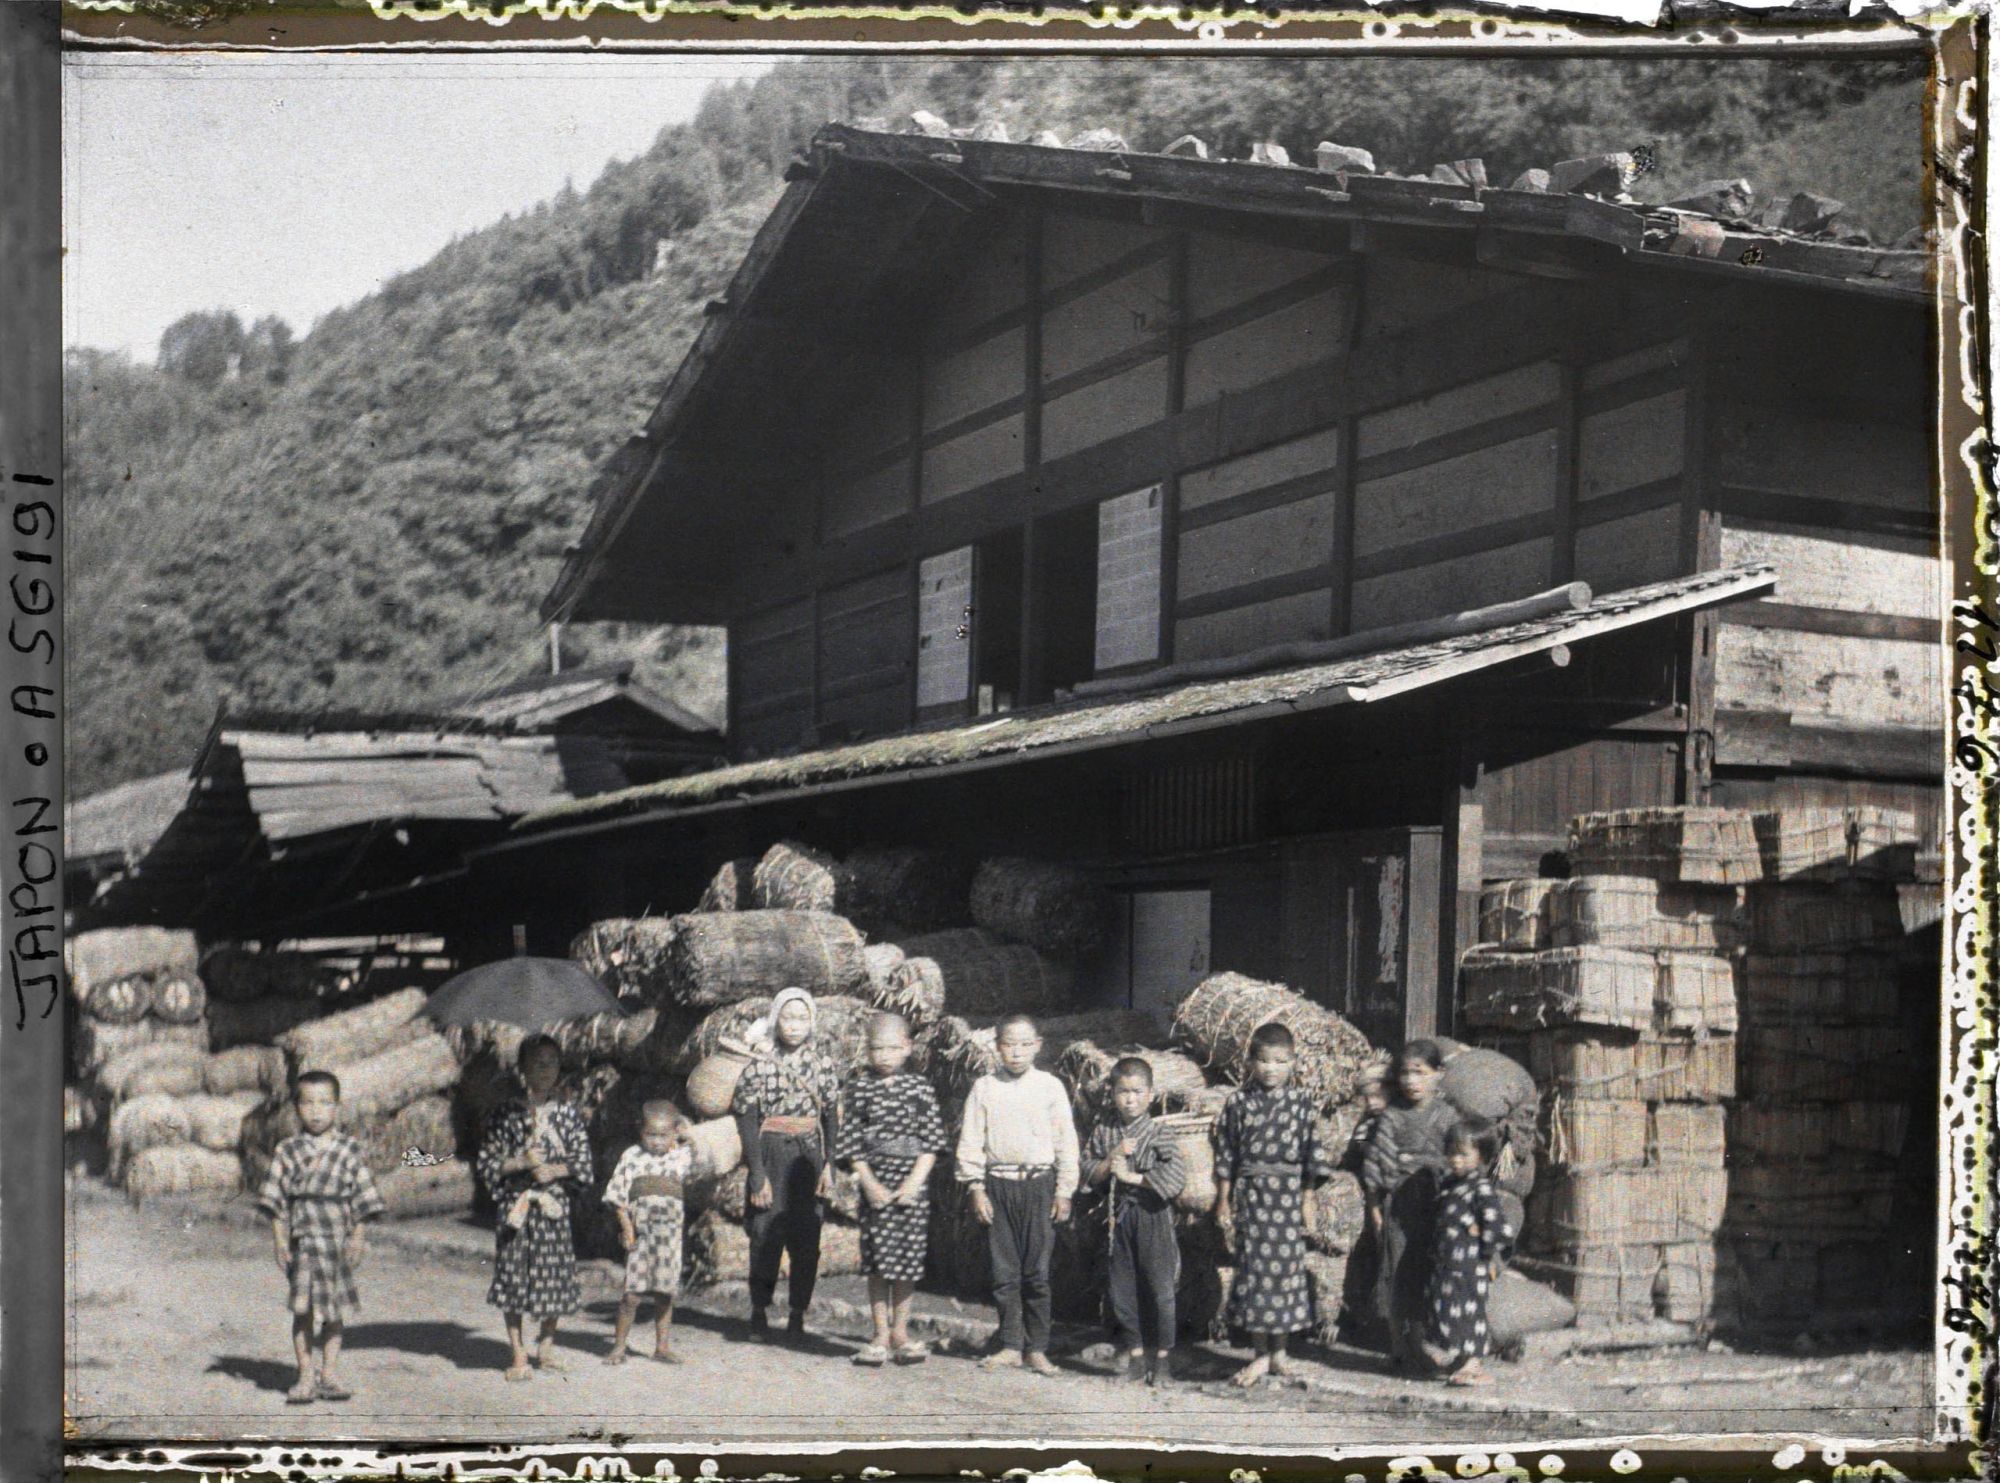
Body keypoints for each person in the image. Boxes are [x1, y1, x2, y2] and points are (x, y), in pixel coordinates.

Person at [955, 1013, 1079, 1376]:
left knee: (1037, 1273)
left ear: (1038, 1046)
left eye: (1025, 1044)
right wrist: (976, 1188)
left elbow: (1066, 1142)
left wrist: (1064, 1191)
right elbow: (971, 1141)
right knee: (1004, 1271)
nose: (1017, 1052)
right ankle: (1010, 1344)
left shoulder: (1050, 1087)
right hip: (998, 1185)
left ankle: (1037, 1348)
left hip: (1039, 1186)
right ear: (997, 1047)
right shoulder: (984, 1088)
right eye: (1009, 1044)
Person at [1211, 1022, 1333, 1388]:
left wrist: (1308, 1197)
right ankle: (1260, 1355)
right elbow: (1226, 1154)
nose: (1271, 1069)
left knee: (1286, 1274)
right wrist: (1223, 1200)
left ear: (1293, 1063)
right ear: (1250, 1062)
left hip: (1287, 1196)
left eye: (1280, 1061)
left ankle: (1280, 1353)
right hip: (1251, 1196)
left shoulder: (1301, 1104)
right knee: (1254, 1274)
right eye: (1263, 1061)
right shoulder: (1237, 1103)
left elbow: (1313, 1153)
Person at [255, 1069, 386, 1405]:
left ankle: (329, 1373)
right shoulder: (288, 1150)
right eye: (308, 1102)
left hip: (336, 1242)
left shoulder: (349, 1149)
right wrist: (280, 1240)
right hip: (303, 1241)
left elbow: (363, 1198)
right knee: (303, 1311)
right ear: (296, 1107)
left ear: (337, 1107)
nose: (316, 1111)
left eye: (325, 1103)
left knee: (334, 1311)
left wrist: (358, 1236)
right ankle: (304, 1375)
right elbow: (275, 1201)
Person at [476, 1033, 594, 1382]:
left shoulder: (568, 1116)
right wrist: (520, 1162)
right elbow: (487, 1163)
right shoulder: (506, 1114)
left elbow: (583, 1164)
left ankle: (546, 1344)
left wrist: (555, 1169)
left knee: (553, 1276)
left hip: (552, 1208)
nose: (546, 1070)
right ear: (523, 1068)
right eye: (538, 1063)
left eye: (553, 1063)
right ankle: (517, 1352)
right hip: (517, 1208)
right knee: (514, 1277)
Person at [835, 1011, 947, 1366]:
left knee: (907, 1261)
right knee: (879, 1261)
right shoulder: (858, 1088)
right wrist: (868, 1183)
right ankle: (880, 1333)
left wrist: (914, 1182)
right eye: (876, 1049)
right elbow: (850, 1143)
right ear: (866, 1050)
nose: (884, 1056)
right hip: (875, 1184)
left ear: (907, 1048)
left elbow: (932, 1142)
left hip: (912, 1185)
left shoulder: (920, 1088)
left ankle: (901, 1331)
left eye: (892, 1049)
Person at [732, 986, 843, 1343]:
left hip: (808, 1158)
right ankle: (759, 1311)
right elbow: (747, 1119)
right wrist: (757, 1174)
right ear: (775, 1019)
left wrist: (830, 1165)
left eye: (801, 1018)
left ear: (812, 1022)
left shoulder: (823, 1065)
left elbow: (830, 1118)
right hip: (771, 1152)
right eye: (787, 1017)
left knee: (806, 1236)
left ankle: (797, 1314)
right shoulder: (760, 1065)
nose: (793, 1026)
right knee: (765, 1233)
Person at [1080, 1056, 1186, 1385]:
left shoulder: (1159, 1133)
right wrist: (1111, 1158)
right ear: (1112, 1094)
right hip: (1118, 1218)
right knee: (1121, 1289)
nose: (1130, 1099)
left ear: (1151, 1094)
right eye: (1123, 1092)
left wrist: (1132, 1176)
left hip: (1152, 1216)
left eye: (1138, 1092)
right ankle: (1137, 1357)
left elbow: (1175, 1176)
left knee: (1161, 1290)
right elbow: (1088, 1170)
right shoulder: (1105, 1131)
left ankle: (1164, 1360)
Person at [1361, 1038, 1459, 1369]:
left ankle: (1420, 1341)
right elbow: (1377, 1167)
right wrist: (1375, 1209)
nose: (1411, 1081)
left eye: (1419, 1073)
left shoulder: (1447, 1117)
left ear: (1438, 1074)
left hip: (1435, 1208)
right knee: (1395, 1272)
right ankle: (1398, 1346)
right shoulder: (1392, 1117)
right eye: (1404, 1073)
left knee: (1423, 1273)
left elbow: (1458, 1161)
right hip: (1398, 1210)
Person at [1421, 1116, 1518, 1386]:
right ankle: (1461, 1358)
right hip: (1448, 1264)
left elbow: (1496, 1225)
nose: (1455, 1160)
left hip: (1470, 1265)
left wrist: (1490, 1257)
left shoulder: (1481, 1188)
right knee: (1448, 1309)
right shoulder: (1451, 1186)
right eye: (1451, 1153)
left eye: (1462, 1155)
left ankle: (1474, 1363)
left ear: (1482, 1156)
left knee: (1469, 1312)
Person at [601, 1101, 695, 1366]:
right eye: (650, 1134)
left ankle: (661, 1346)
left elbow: (698, 1143)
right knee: (632, 1295)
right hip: (642, 1239)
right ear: (640, 1131)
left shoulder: (681, 1156)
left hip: (670, 1240)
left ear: (674, 1132)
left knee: (665, 1294)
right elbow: (618, 1199)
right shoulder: (632, 1157)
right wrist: (628, 1230)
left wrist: (684, 1133)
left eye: (663, 1135)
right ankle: (618, 1347)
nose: (656, 1141)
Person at [1337, 1063, 1394, 1349]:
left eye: (1378, 1094)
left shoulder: (1396, 1120)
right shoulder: (1368, 1123)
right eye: (1367, 1097)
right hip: (1371, 1193)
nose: (1372, 1102)